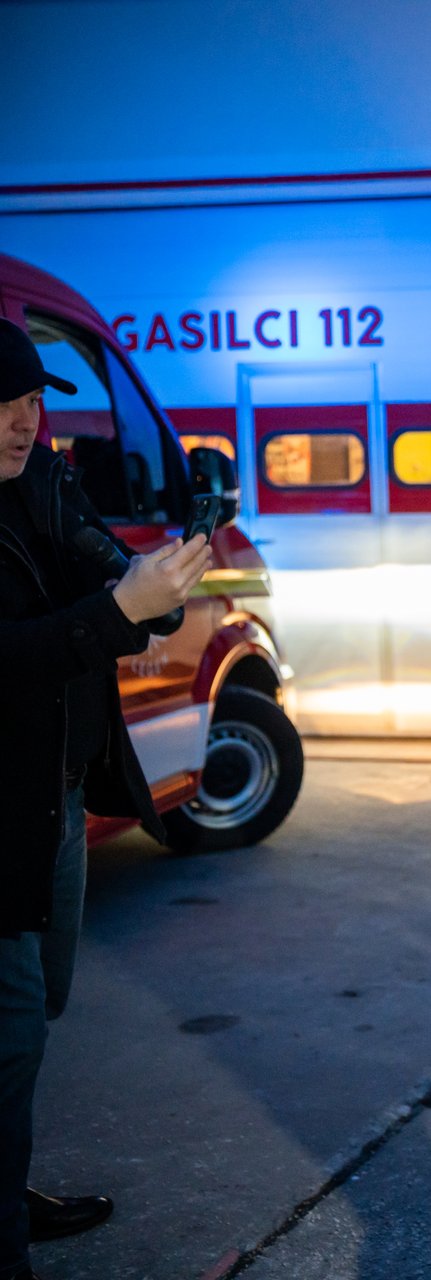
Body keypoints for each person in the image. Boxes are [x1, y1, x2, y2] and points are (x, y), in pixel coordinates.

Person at [0, 316, 210, 1280]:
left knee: (37, 1013)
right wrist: (118, 610)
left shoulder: (42, 482)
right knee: (10, 1033)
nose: (25, 422)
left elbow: (110, 575)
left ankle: (7, 1193)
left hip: (61, 797)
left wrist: (154, 586)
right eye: (5, 405)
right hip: (6, 818)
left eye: (32, 402)